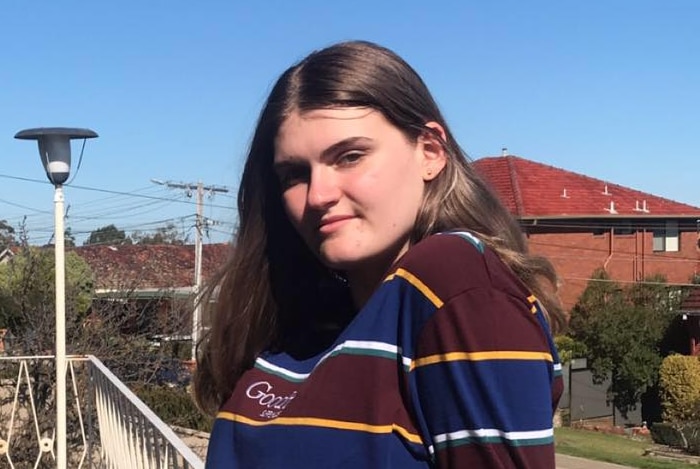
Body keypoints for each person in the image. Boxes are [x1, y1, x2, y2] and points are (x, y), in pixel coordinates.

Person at [195, 40, 565, 468]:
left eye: (350, 157)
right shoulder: (311, 320)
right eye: (295, 174)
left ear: (430, 152)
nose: (318, 196)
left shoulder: (459, 284)